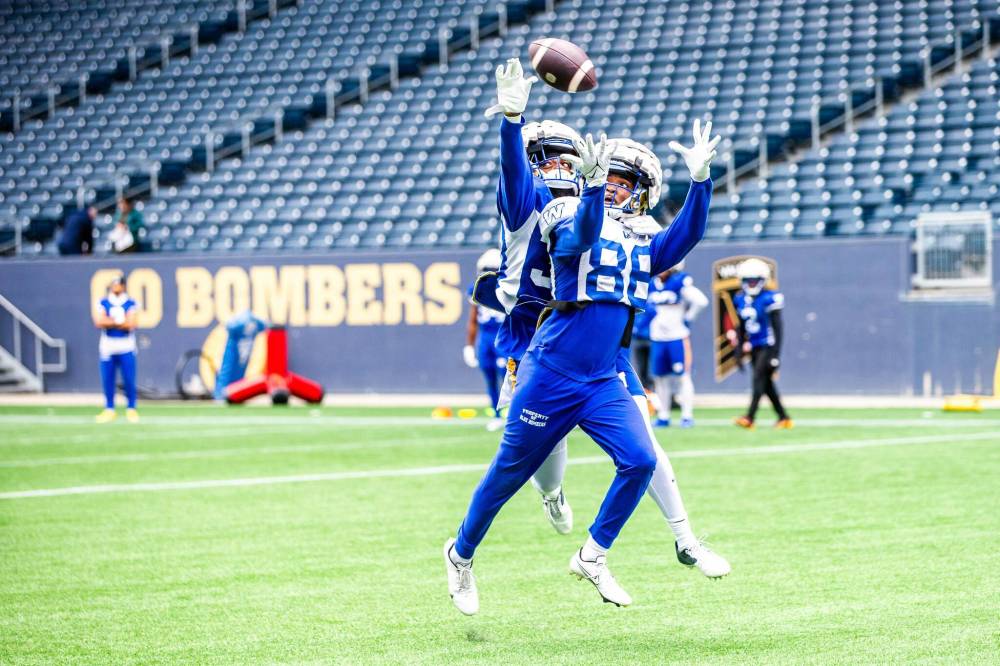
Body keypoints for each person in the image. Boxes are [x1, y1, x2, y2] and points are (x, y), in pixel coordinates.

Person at [444, 119, 722, 615]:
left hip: (600, 371)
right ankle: (461, 553)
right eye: (606, 179)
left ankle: (596, 555)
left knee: (641, 458)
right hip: (547, 360)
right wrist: (588, 188)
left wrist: (701, 183)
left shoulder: (638, 236)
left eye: (621, 183)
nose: (614, 187)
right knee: (511, 472)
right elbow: (581, 236)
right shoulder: (561, 210)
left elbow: (680, 241)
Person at [731, 258, 793, 429]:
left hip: (768, 345)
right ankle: (784, 417)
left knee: (759, 379)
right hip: (755, 345)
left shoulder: (770, 298)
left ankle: (749, 417)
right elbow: (741, 326)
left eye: (754, 280)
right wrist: (738, 351)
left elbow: (778, 327)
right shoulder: (740, 299)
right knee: (766, 384)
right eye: (747, 280)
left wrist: (775, 355)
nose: (751, 284)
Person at [647, 260, 708, 427]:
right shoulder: (652, 283)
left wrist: (688, 318)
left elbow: (701, 301)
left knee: (682, 376)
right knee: (660, 378)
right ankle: (664, 415)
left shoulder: (680, 282)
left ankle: (687, 415)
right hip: (658, 337)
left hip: (677, 337)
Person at [463, 249, 506, 431]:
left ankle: (511, 412)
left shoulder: (508, 286)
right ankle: (496, 413)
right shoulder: (476, 288)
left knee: (507, 375)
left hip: (503, 335)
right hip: (486, 337)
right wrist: (470, 345)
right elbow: (473, 319)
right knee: (489, 374)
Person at [93, 274, 139, 423]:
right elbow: (99, 321)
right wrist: (120, 321)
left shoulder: (130, 302)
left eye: (118, 284)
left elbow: (131, 323)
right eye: (113, 284)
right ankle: (109, 408)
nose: (115, 287)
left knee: (129, 379)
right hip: (108, 345)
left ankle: (131, 408)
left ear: (123, 286)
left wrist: (111, 322)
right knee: (108, 379)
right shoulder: (104, 302)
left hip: (126, 345)